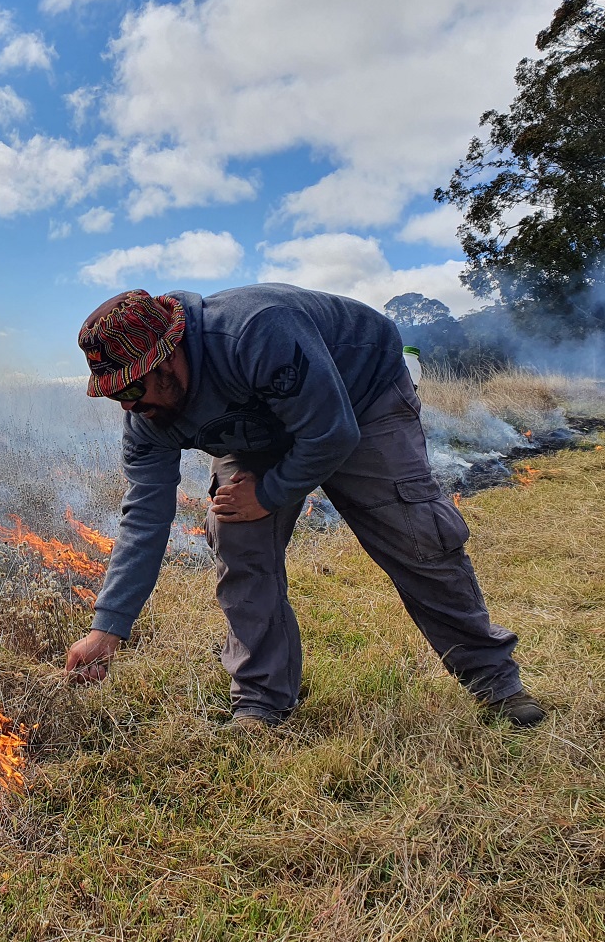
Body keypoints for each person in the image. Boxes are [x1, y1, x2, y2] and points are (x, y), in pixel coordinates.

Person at [64, 284, 545, 729]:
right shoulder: (147, 420)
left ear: (169, 359)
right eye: (113, 395)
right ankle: (261, 701)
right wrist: (107, 628)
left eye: (131, 389)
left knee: (414, 532)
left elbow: (332, 433)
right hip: (259, 427)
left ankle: (496, 684)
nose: (126, 406)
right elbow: (144, 518)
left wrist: (269, 494)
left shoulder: (255, 331)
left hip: (360, 397)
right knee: (236, 532)